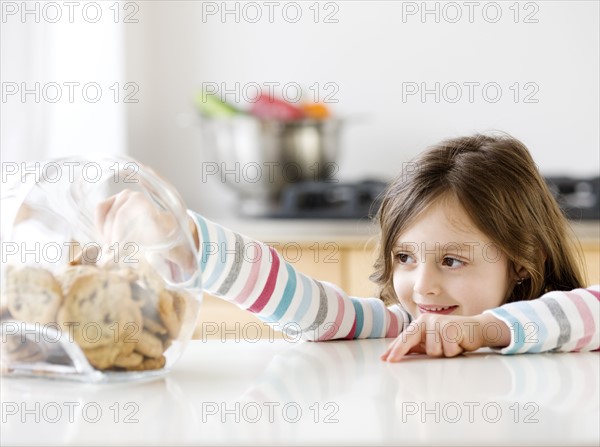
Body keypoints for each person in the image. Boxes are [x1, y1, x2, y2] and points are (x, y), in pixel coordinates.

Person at [97, 133, 599, 361]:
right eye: (405, 257)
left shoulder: (564, 323)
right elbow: (315, 311)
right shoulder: (410, 326)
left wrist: (484, 329)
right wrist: (189, 243)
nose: (422, 285)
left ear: (520, 264)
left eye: (451, 260)